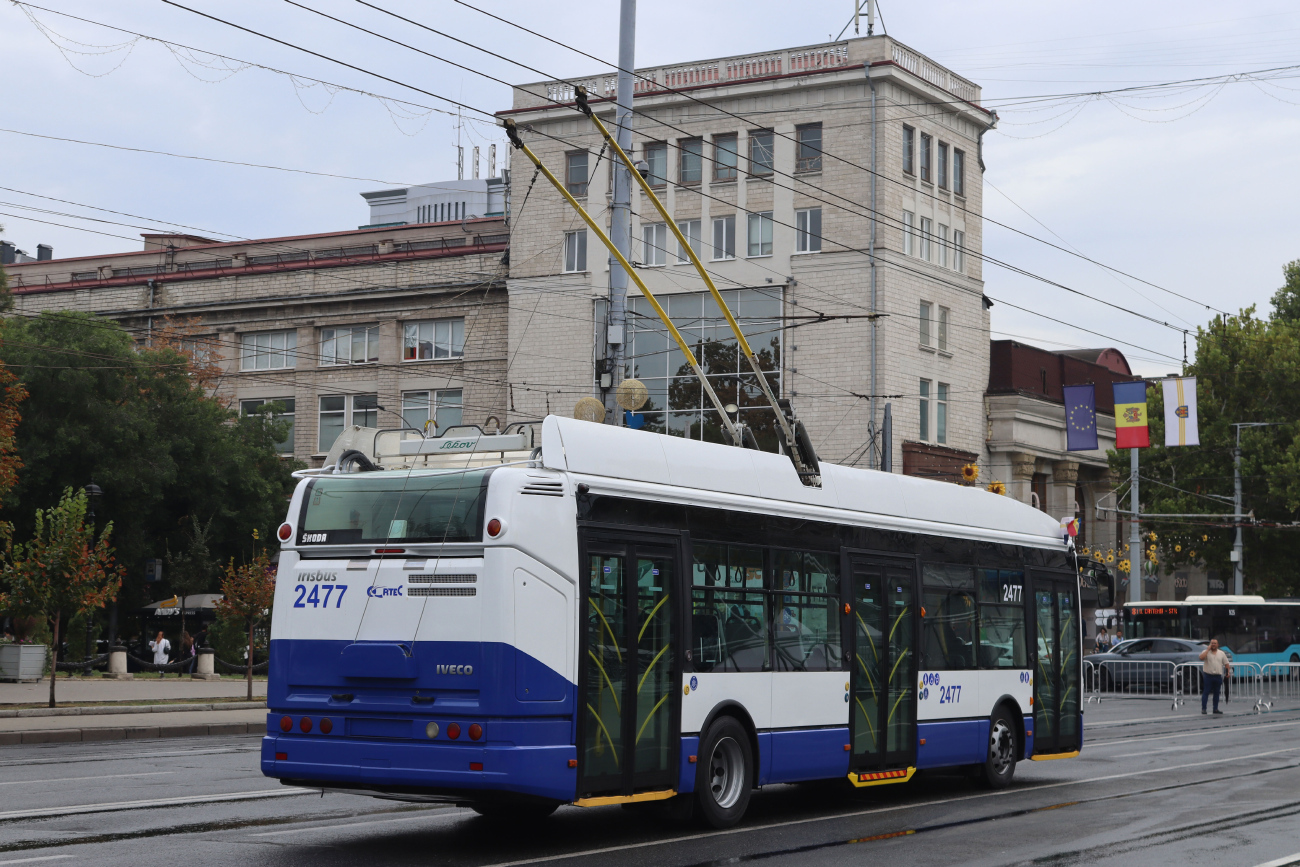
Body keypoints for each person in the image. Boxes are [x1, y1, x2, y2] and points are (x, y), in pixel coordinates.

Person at [1199, 638, 1230, 715]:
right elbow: (1201, 658)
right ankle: (1204, 709)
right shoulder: (1206, 652)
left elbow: (1226, 663)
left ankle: (1215, 709)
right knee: (1206, 692)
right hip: (1208, 675)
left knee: (1216, 693)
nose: (1213, 645)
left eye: (1215, 643)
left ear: (1217, 645)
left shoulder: (1221, 653)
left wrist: (1228, 672)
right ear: (1210, 644)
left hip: (1218, 676)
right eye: (1212, 643)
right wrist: (1207, 650)